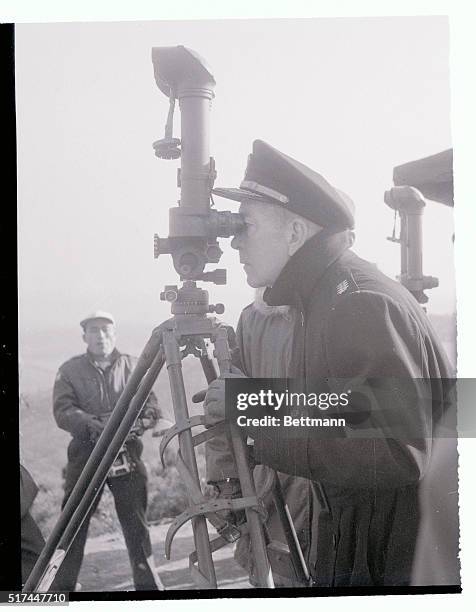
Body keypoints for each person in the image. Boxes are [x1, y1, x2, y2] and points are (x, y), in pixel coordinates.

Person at [204, 140, 459, 587]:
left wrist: (253, 407)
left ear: (295, 233)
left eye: (245, 226)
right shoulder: (323, 298)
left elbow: (395, 450)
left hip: (396, 554)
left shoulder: (357, 301)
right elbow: (348, 409)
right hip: (367, 537)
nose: (235, 242)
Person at [51, 311, 164, 591]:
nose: (100, 335)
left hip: (127, 454)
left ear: (114, 334)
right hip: (85, 456)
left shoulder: (133, 366)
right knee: (72, 526)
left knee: (136, 525)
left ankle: (149, 589)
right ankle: (61, 590)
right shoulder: (69, 370)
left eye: (105, 330)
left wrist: (127, 426)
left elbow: (151, 407)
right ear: (84, 336)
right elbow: (63, 410)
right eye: (93, 330)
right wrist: (93, 425)